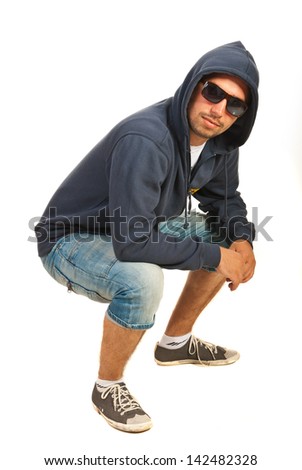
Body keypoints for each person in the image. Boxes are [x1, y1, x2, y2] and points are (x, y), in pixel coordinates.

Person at [35, 41, 259, 433]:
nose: (220, 110)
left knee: (223, 238)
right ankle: (107, 386)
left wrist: (241, 240)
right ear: (193, 86)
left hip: (137, 225)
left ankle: (175, 344)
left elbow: (225, 198)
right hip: (72, 240)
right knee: (143, 281)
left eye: (235, 105)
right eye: (213, 93)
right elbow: (132, 243)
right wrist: (215, 258)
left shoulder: (221, 141)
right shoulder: (146, 139)